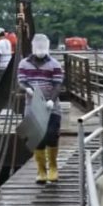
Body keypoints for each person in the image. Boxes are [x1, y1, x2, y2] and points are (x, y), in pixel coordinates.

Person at [17, 34, 64, 184]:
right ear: (33, 48)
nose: (41, 51)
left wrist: (51, 100)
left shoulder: (54, 64)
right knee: (38, 138)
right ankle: (41, 170)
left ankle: (53, 167)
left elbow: (57, 84)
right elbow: (21, 81)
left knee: (51, 135)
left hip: (51, 106)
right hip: (32, 106)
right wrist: (28, 89)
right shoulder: (24, 64)